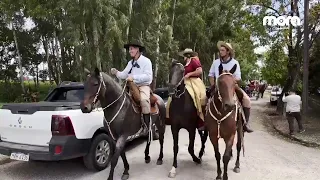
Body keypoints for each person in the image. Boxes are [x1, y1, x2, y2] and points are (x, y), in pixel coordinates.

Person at [208, 41, 253, 133]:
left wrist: (228, 82)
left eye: (222, 50)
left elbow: (238, 77)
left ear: (228, 51)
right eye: (220, 50)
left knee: (247, 100)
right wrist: (213, 84)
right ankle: (205, 123)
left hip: (232, 86)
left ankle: (245, 124)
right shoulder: (216, 63)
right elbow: (211, 75)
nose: (220, 52)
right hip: (218, 85)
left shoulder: (235, 63)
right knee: (204, 99)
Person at [110, 40, 153, 135]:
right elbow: (124, 74)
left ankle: (147, 127)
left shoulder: (146, 61)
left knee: (144, 101)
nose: (130, 51)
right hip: (130, 86)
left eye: (131, 49)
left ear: (138, 50)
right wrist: (116, 72)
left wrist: (134, 78)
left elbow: (149, 77)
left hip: (143, 86)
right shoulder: (130, 63)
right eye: (129, 49)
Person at [178, 48, 207, 130]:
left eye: (184, 55)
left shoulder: (194, 60)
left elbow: (200, 71)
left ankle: (201, 118)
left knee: (198, 96)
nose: (183, 57)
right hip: (185, 81)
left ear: (187, 55)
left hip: (194, 81)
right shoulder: (185, 64)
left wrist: (190, 74)